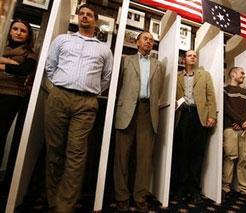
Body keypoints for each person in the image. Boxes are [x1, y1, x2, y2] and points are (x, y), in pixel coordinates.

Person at [44, 4, 113, 212]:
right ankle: (53, 200)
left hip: (86, 103)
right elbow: (50, 66)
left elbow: (106, 78)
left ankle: (65, 205)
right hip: (59, 97)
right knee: (54, 149)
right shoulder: (62, 40)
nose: (84, 17)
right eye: (81, 14)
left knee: (76, 153)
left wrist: (87, 91)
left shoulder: (104, 49)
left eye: (89, 15)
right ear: (77, 17)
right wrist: (61, 86)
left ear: (95, 20)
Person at [114, 31, 165, 212]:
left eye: (151, 40)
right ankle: (121, 196)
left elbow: (160, 91)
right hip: (126, 110)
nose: (149, 42)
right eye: (145, 39)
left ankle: (140, 196)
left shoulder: (159, 66)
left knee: (144, 158)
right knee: (122, 156)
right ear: (137, 42)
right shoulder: (125, 61)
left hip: (148, 112)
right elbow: (117, 85)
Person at [171, 50, 217, 204]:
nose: (193, 57)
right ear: (183, 59)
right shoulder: (176, 76)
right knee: (182, 152)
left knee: (198, 153)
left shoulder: (204, 75)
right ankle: (181, 187)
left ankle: (195, 189)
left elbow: (211, 96)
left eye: (195, 56)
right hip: (182, 116)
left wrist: (212, 115)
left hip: (199, 116)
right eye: (190, 55)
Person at [0, 19, 37, 170]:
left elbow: (23, 70)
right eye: (15, 29)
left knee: (0, 134)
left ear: (28, 36)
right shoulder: (2, 46)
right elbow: (16, 68)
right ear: (9, 30)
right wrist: (12, 64)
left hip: (12, 95)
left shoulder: (30, 54)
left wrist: (2, 62)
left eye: (23, 31)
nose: (18, 33)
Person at [222, 67, 246, 203]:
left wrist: (243, 122)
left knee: (243, 159)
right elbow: (226, 109)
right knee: (230, 157)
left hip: (244, 129)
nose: (244, 75)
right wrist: (240, 121)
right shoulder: (225, 91)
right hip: (230, 129)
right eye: (242, 73)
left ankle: (245, 190)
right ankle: (224, 188)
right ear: (233, 74)